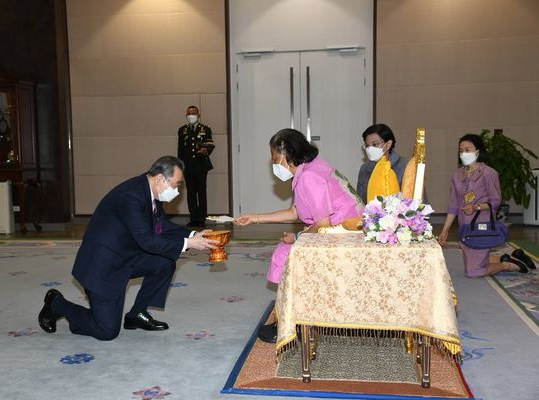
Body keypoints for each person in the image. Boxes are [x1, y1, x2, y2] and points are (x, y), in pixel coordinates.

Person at [38, 156, 217, 341]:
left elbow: (161, 224)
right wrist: (189, 244)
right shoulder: (130, 196)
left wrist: (193, 235)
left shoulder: (150, 191)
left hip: (126, 256)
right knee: (106, 331)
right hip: (102, 266)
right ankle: (57, 304)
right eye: (176, 185)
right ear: (160, 179)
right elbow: (148, 241)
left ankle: (136, 315)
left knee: (165, 262)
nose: (177, 191)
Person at [234, 128, 363, 342]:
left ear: (287, 154)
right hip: (343, 229)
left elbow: (322, 225)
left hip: (345, 236)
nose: (274, 164)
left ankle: (290, 320)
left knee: (287, 254)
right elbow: (296, 211)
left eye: (275, 158)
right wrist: (255, 218)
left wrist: (296, 237)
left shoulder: (309, 177)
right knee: (285, 250)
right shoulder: (312, 167)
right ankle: (288, 314)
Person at [438, 134, 532, 277]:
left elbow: (496, 200)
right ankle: (511, 256)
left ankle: (508, 265)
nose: (464, 153)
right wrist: (445, 230)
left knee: (473, 271)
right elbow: (453, 205)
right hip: (464, 227)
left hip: (481, 226)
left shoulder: (489, 173)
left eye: (468, 149)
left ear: (477, 151)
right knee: (475, 260)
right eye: (461, 150)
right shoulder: (457, 176)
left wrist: (477, 207)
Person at [178, 105, 214, 228]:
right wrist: (179, 166)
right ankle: (193, 218)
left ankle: (201, 218)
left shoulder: (205, 129)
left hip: (201, 166)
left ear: (198, 115)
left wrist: (206, 151)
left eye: (193, 113)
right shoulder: (182, 130)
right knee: (191, 193)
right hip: (188, 166)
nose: (191, 116)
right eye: (188, 114)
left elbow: (210, 144)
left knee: (201, 192)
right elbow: (180, 150)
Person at [357, 124, 409, 202]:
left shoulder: (406, 166)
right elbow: (360, 201)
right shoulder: (365, 169)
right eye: (367, 146)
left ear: (388, 144)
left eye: (375, 144)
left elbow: (419, 203)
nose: (370, 149)